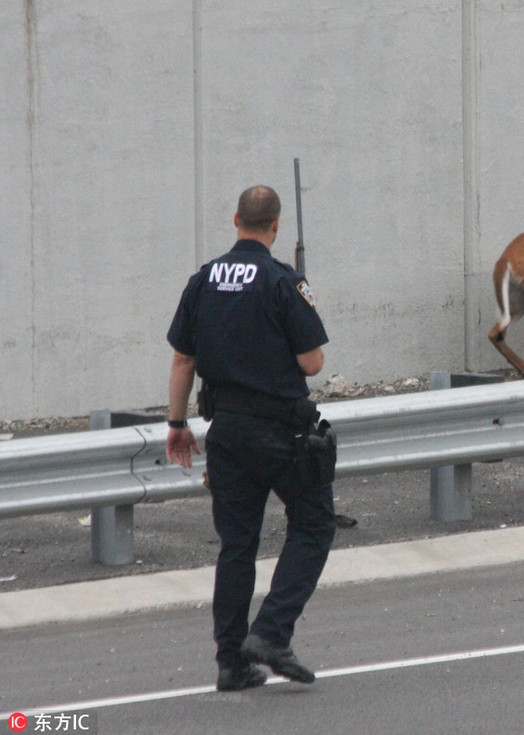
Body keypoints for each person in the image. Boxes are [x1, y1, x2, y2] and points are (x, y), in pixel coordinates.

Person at [165, 185, 336, 692]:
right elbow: (312, 362)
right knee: (314, 526)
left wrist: (176, 426)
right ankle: (270, 633)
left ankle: (230, 663)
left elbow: (182, 360)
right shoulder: (284, 280)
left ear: (236, 218)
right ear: (276, 225)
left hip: (227, 433)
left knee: (237, 547)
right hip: (281, 432)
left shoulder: (203, 280)